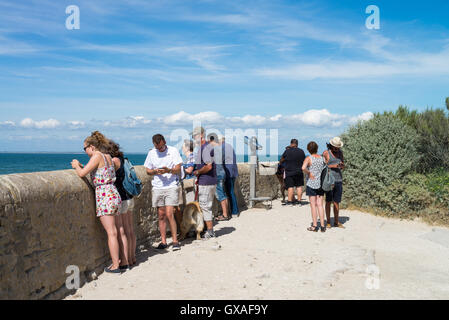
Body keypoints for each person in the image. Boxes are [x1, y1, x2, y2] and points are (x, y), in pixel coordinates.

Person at [71, 131, 123, 274]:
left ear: (92, 146)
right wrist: (83, 165)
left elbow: (82, 174)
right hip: (113, 193)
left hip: (104, 195)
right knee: (117, 231)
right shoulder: (107, 157)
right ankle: (122, 262)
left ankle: (115, 266)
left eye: (85, 148)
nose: (85, 151)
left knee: (111, 233)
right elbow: (97, 170)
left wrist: (76, 165)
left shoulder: (97, 156)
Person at [144, 134, 183, 251]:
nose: (160, 149)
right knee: (161, 215)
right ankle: (164, 241)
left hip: (171, 186)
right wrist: (155, 171)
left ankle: (175, 241)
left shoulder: (173, 151)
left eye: (161, 147)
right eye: (157, 148)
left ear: (164, 142)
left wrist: (169, 170)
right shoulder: (152, 153)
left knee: (169, 213)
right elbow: (147, 170)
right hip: (157, 187)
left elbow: (178, 168)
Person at [109, 140, 136, 269]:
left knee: (122, 231)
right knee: (130, 229)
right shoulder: (123, 159)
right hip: (130, 197)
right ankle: (132, 258)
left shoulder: (113, 161)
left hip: (122, 198)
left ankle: (125, 261)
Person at [191, 126, 217, 239]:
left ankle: (210, 231)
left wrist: (197, 172)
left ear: (201, 135)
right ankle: (206, 229)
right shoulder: (208, 147)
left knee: (205, 206)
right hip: (211, 181)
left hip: (205, 181)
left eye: (194, 136)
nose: (193, 138)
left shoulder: (204, 148)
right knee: (207, 205)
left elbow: (208, 166)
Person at [302, 141, 326, 232]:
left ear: (308, 149)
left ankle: (315, 226)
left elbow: (303, 168)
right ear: (317, 148)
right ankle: (323, 226)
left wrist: (309, 173)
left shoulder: (308, 158)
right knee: (320, 204)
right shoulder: (322, 158)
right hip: (320, 184)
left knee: (313, 205)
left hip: (311, 183)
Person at [323, 137, 345, 229]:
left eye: (338, 147)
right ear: (331, 146)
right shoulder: (326, 153)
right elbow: (323, 166)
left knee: (337, 202)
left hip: (339, 180)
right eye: (336, 147)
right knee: (328, 202)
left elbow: (343, 165)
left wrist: (342, 166)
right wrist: (334, 166)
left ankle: (336, 221)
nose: (337, 149)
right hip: (329, 181)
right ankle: (328, 222)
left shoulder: (340, 153)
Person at [280, 139, 306, 206]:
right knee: (299, 186)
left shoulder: (287, 151)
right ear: (297, 144)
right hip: (299, 171)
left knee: (290, 187)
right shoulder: (301, 151)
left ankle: (289, 202)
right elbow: (304, 161)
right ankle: (299, 201)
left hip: (289, 171)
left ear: (291, 144)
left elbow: (281, 160)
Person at [212, 134, 231, 221]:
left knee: (220, 195)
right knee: (223, 194)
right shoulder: (220, 149)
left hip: (218, 174)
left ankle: (225, 215)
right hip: (222, 172)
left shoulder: (214, 150)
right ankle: (226, 214)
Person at [221, 135, 239, 217]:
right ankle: (235, 211)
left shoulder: (222, 147)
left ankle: (234, 212)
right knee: (231, 192)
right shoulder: (229, 146)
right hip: (233, 172)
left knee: (229, 192)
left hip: (228, 172)